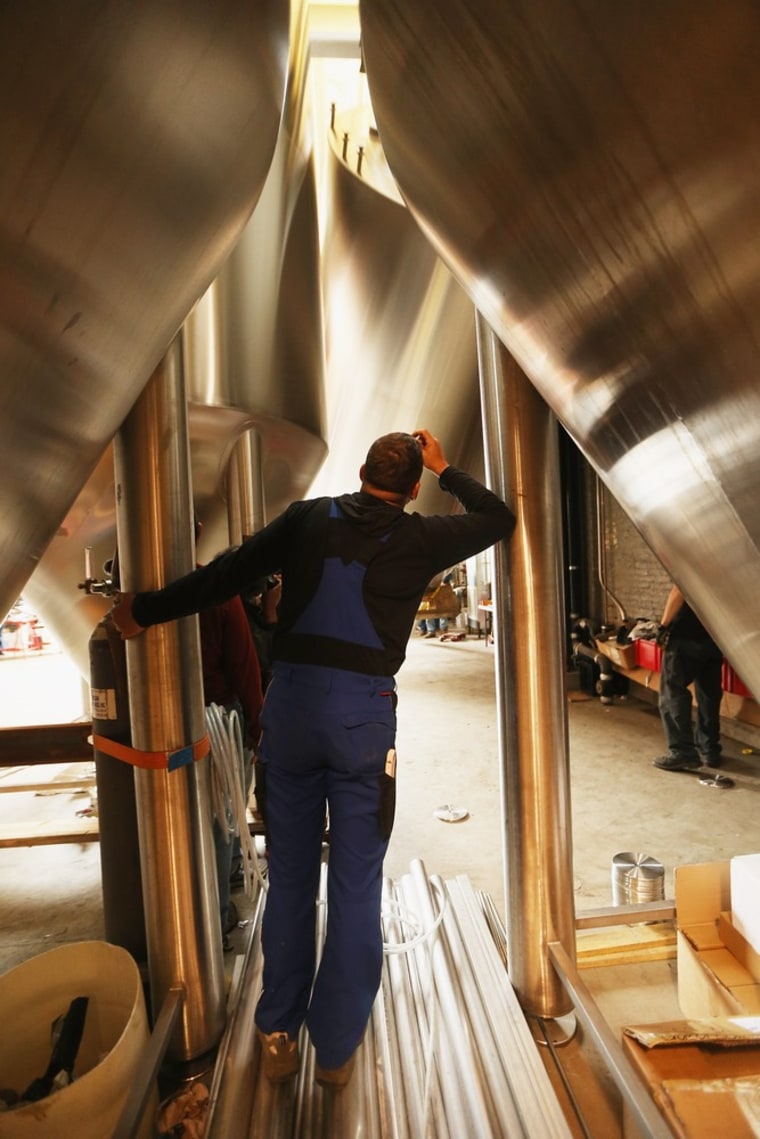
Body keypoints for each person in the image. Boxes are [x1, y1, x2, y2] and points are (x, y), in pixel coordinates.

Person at [110, 429, 515, 1089]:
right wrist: (446, 466)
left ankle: (277, 1031)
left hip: (291, 713)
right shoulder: (419, 537)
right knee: (356, 883)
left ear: (359, 472)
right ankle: (334, 1049)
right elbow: (497, 517)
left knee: (292, 876)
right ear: (413, 488)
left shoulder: (306, 518)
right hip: (361, 722)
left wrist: (144, 611)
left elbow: (226, 574)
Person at [652, 585, 723, 772]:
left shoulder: (691, 558)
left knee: (672, 692)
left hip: (686, 636)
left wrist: (663, 626)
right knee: (709, 693)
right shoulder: (727, 563)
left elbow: (679, 590)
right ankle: (710, 749)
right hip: (716, 637)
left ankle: (682, 752)